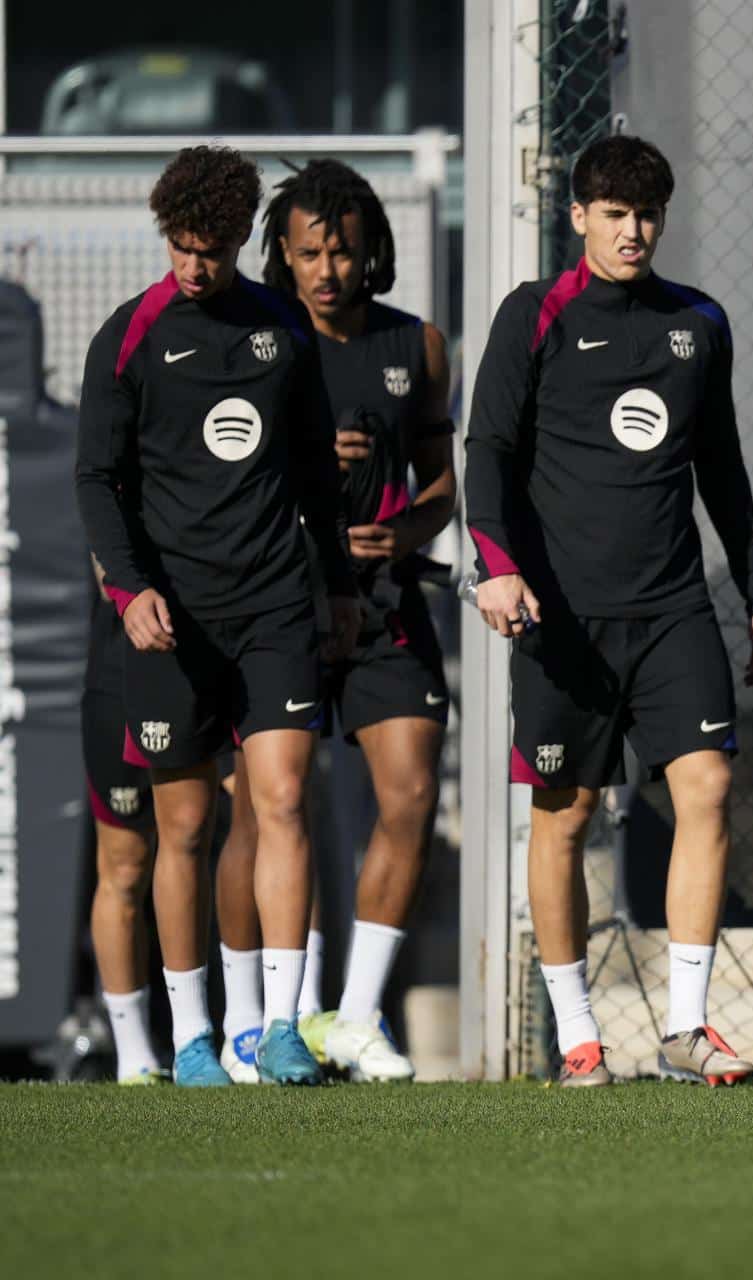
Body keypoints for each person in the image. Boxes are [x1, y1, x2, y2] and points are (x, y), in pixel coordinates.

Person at [465, 135, 753, 1088]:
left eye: (646, 215)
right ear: (579, 217)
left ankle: (686, 1029)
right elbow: (486, 451)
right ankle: (577, 1038)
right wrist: (495, 566)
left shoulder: (697, 323)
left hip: (674, 607)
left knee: (708, 790)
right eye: (614, 214)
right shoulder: (536, 317)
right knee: (562, 818)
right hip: (561, 619)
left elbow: (720, 468)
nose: (633, 231)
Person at [74, 145, 361, 1087]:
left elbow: (318, 470)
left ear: (242, 238)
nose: (193, 265)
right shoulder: (131, 335)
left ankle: (282, 1027)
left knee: (281, 799)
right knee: (185, 827)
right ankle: (190, 1035)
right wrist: (131, 588)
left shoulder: (281, 327)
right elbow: (96, 479)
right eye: (181, 246)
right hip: (172, 621)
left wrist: (339, 588)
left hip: (275, 604)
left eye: (211, 248)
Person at [207, 159, 455, 1084]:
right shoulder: (257, 340)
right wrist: (305, 453)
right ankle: (267, 1019)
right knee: (266, 807)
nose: (326, 270)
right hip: (280, 603)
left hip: (385, 605)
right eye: (308, 251)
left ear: (371, 253)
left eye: (343, 252)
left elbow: (440, 492)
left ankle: (353, 1019)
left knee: (412, 793)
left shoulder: (418, 346)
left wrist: (401, 533)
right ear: (281, 251)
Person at [82, 565, 165, 1084]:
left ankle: (254, 1028)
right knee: (125, 865)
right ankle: (134, 1053)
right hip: (124, 671)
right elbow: (105, 566)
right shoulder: (106, 484)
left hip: (227, 659)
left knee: (269, 819)